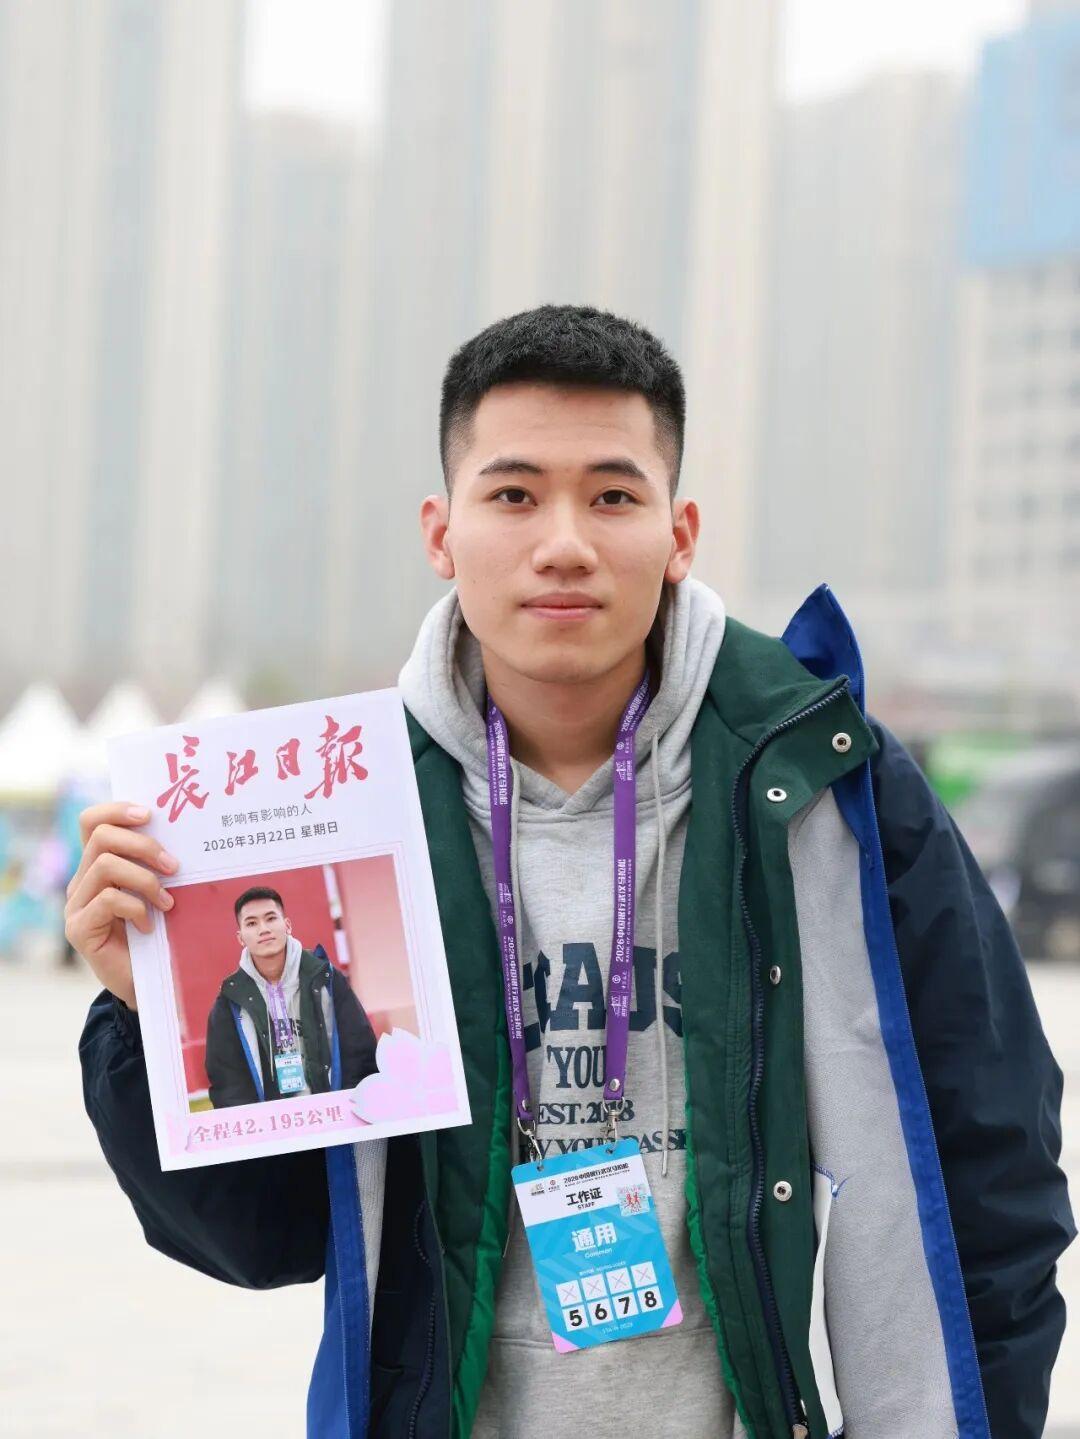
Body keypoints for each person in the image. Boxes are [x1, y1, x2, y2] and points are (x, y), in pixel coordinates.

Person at [68, 305, 1073, 1439]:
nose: (564, 543)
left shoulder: (827, 786)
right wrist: (143, 1014)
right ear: (441, 532)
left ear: (679, 532)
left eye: (612, 496)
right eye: (512, 495)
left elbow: (995, 1165)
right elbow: (269, 1237)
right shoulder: (346, 814)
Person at [203, 885, 379, 1108]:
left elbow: (359, 1051)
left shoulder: (325, 978)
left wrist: (346, 1108)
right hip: (273, 1123)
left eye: (271, 918)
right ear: (240, 938)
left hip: (332, 1114)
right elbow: (227, 1081)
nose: (263, 929)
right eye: (252, 923)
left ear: (287, 925)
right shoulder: (231, 999)